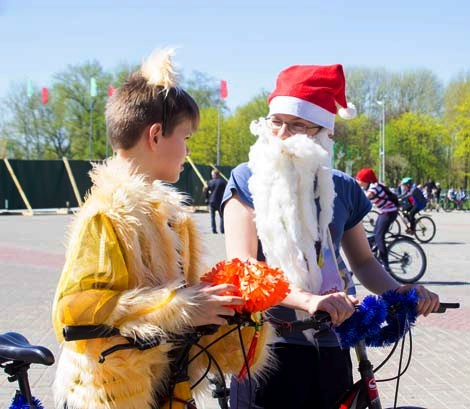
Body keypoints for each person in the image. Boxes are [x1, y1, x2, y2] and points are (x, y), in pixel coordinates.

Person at [51, 49, 270, 409]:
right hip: (112, 396)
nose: (186, 151)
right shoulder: (108, 214)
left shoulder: (171, 216)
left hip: (170, 389)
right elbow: (70, 311)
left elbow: (184, 304)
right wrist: (176, 307)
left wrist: (223, 303)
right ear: (155, 136)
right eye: (185, 138)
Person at [222, 64, 440, 409]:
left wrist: (402, 291)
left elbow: (365, 262)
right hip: (266, 346)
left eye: (296, 125)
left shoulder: (343, 187)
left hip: (333, 343)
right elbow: (243, 268)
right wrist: (307, 299)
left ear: (325, 133)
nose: (280, 134)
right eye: (275, 121)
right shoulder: (246, 179)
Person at [355, 167, 398, 272]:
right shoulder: (371, 186)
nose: (358, 182)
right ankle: (374, 257)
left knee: (379, 237)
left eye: (359, 180)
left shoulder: (374, 187)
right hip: (384, 212)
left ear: (366, 180)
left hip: (389, 212)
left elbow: (365, 198)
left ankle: (385, 264)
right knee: (374, 236)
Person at [205, 169, 227, 233]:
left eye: (212, 175)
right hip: (220, 201)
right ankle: (222, 229)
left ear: (214, 175)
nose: (212, 176)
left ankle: (214, 229)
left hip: (211, 201)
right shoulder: (222, 182)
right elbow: (225, 192)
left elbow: (206, 191)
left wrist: (206, 198)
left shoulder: (210, 182)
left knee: (212, 216)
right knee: (222, 216)